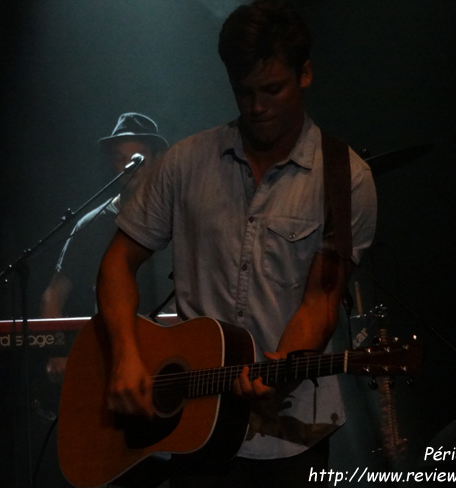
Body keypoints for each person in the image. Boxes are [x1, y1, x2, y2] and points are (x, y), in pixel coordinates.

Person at [96, 1, 377, 486]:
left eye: (273, 89)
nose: (257, 106)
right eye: (243, 92)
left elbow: (321, 301)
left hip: (292, 437)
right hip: (191, 427)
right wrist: (125, 355)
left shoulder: (345, 178)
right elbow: (118, 261)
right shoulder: (184, 164)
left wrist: (280, 368)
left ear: (305, 74)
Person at [40, 112, 168, 381]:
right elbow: (53, 295)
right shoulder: (92, 224)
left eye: (137, 159)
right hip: (109, 363)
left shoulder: (180, 218)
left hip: (171, 356)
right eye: (119, 158)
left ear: (158, 160)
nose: (126, 166)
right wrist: (58, 352)